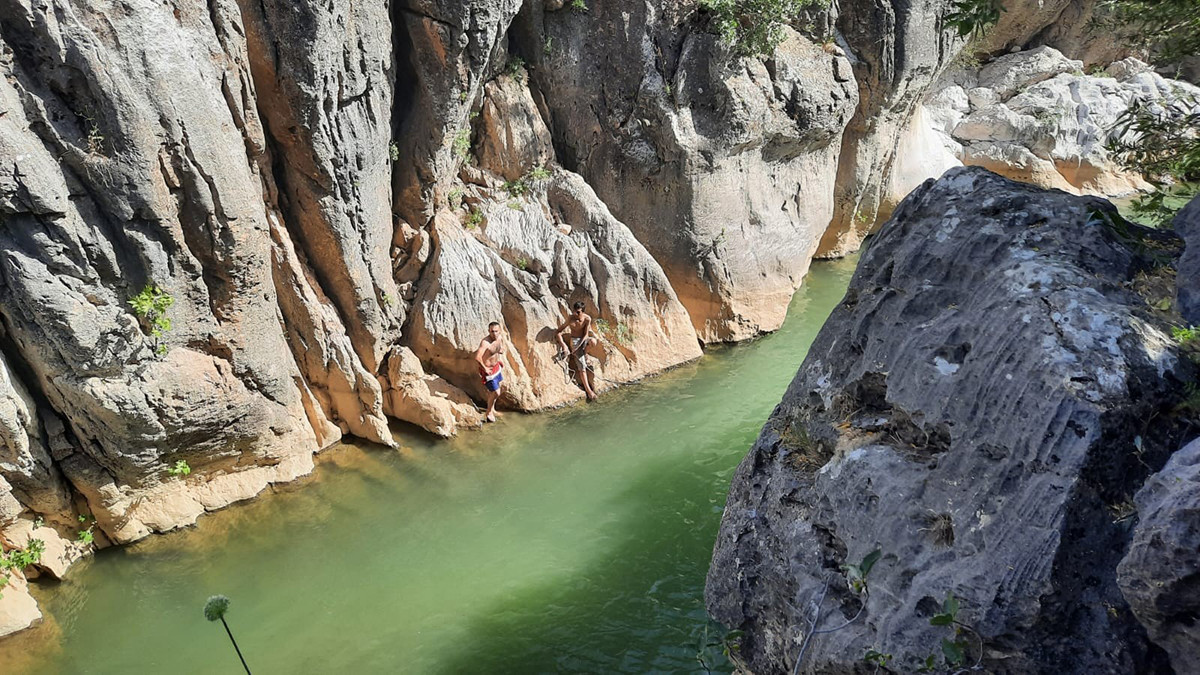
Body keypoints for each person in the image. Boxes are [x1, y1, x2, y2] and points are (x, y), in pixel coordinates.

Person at [556, 301, 598, 401]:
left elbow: (585, 334)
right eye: (575, 311)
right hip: (574, 341)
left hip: (583, 340)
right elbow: (558, 332)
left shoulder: (587, 319)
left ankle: (585, 353)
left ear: (583, 312)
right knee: (582, 367)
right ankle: (589, 391)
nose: (576, 314)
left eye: (578, 312)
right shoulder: (571, 319)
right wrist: (564, 346)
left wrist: (581, 347)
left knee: (593, 341)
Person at [475, 321, 507, 422]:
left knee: (494, 390)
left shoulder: (499, 338)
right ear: (489, 331)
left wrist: (500, 349)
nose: (494, 333)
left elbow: (498, 348)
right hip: (488, 371)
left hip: (496, 368)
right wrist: (485, 369)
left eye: (496, 331)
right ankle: (488, 412)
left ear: (500, 331)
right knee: (496, 392)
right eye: (492, 331)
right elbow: (477, 357)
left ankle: (492, 409)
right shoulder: (485, 342)